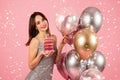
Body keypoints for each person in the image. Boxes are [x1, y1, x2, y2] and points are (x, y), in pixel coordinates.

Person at [25, 12, 67, 80]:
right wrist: (41, 55)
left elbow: (55, 61)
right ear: (36, 27)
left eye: (43, 19)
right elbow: (31, 66)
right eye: (38, 23)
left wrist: (61, 45)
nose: (42, 23)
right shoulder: (35, 41)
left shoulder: (53, 38)